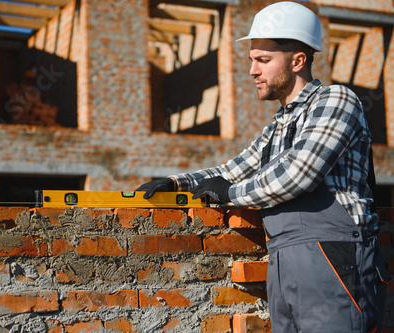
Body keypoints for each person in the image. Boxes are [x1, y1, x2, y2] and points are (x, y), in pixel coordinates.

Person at [136, 2, 391, 332]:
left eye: (263, 60)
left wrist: (230, 194)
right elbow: (235, 168)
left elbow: (298, 174)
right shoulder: (278, 125)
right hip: (284, 265)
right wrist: (176, 183)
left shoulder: (336, 100)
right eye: (252, 60)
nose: (253, 70)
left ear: (298, 61)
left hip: (336, 261)